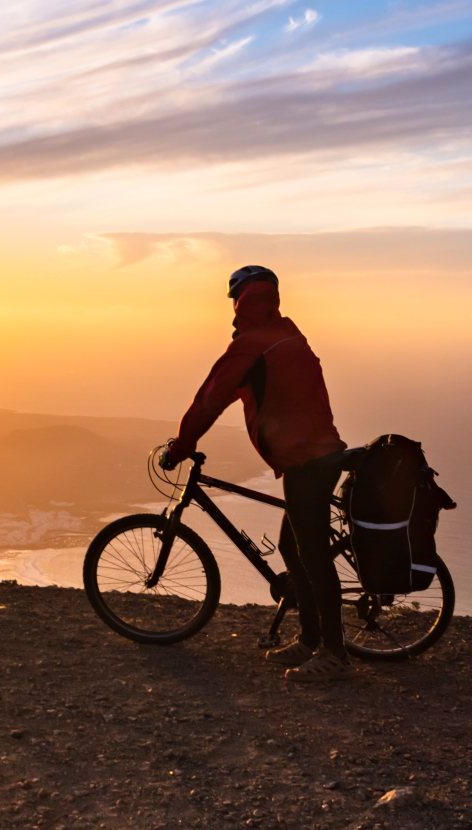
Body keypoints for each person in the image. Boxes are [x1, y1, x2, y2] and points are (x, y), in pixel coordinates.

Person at [159, 265, 355, 682]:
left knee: (313, 557)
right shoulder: (288, 334)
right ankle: (308, 639)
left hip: (307, 460)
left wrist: (182, 446)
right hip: (318, 455)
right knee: (291, 546)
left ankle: (334, 655)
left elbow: (210, 399)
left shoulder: (251, 347)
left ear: (240, 301)